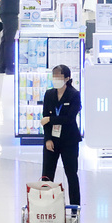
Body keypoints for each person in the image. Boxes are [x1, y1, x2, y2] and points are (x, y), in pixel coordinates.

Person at [40, 65, 82, 207]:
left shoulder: (74, 95)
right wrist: (48, 139)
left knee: (71, 174)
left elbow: (69, 118)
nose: (56, 79)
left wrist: (51, 120)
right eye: (54, 76)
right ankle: (45, 205)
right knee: (46, 174)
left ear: (67, 78)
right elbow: (44, 119)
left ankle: (75, 206)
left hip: (69, 141)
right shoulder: (49, 94)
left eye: (59, 76)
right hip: (52, 140)